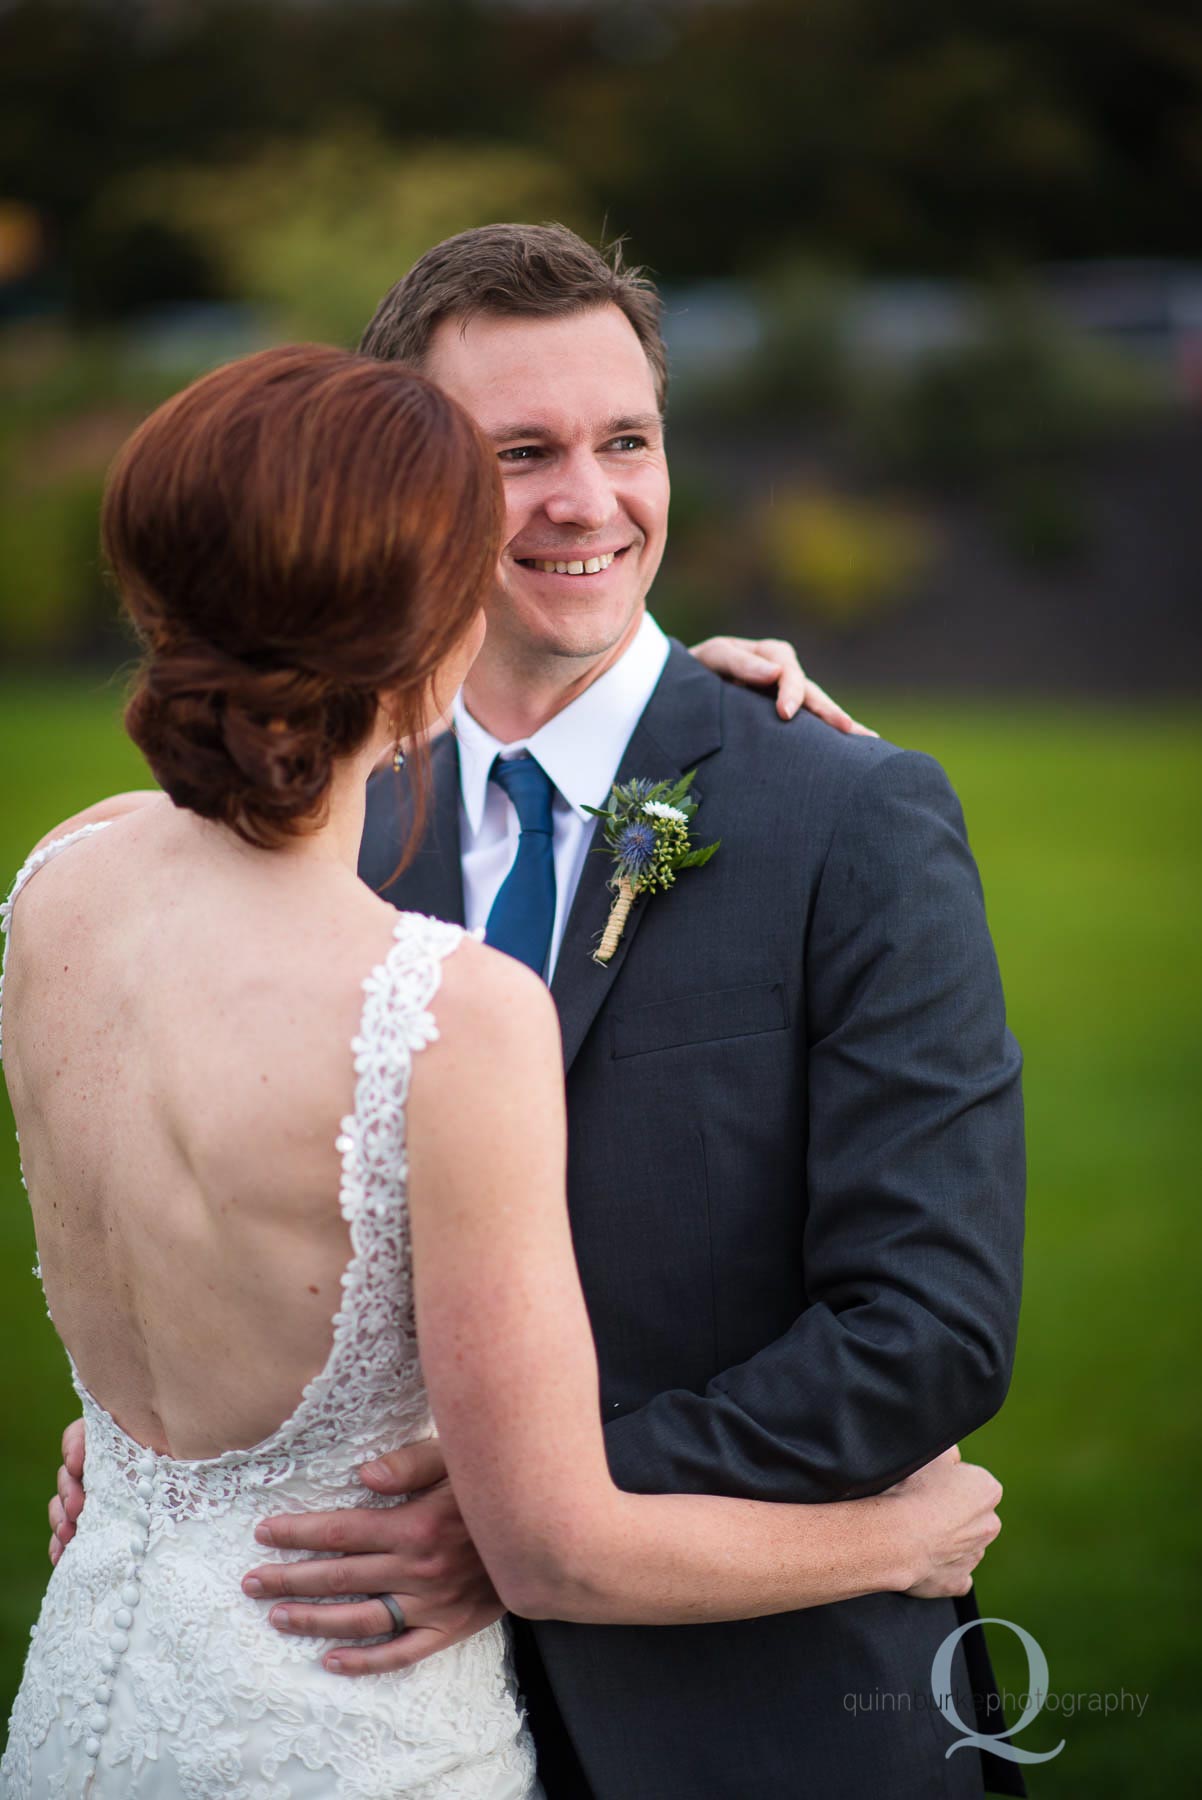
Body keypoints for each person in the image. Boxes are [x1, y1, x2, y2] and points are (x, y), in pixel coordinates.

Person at [3, 345, 1003, 1800]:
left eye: (625, 440)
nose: (565, 510)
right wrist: (898, 1543)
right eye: (504, 474)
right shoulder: (448, 1005)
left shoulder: (60, 878)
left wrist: (165, 1467)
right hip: (358, 1729)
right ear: (425, 604)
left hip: (105, 1690)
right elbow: (551, 1544)